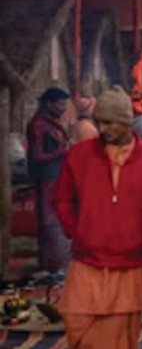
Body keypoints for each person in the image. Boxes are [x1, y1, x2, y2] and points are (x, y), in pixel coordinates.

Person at [54, 88, 142, 349]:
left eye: (111, 123)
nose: (103, 129)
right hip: (87, 256)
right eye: (100, 122)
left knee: (119, 331)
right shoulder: (79, 155)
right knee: (77, 322)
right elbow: (61, 198)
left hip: (130, 257)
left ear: (127, 123)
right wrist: (75, 230)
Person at [27, 87, 74, 275]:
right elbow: (37, 155)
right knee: (49, 221)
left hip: (56, 178)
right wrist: (64, 152)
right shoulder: (39, 125)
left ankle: (56, 262)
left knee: (58, 219)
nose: (63, 108)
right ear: (49, 104)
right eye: (60, 104)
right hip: (46, 180)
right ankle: (52, 263)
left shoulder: (52, 124)